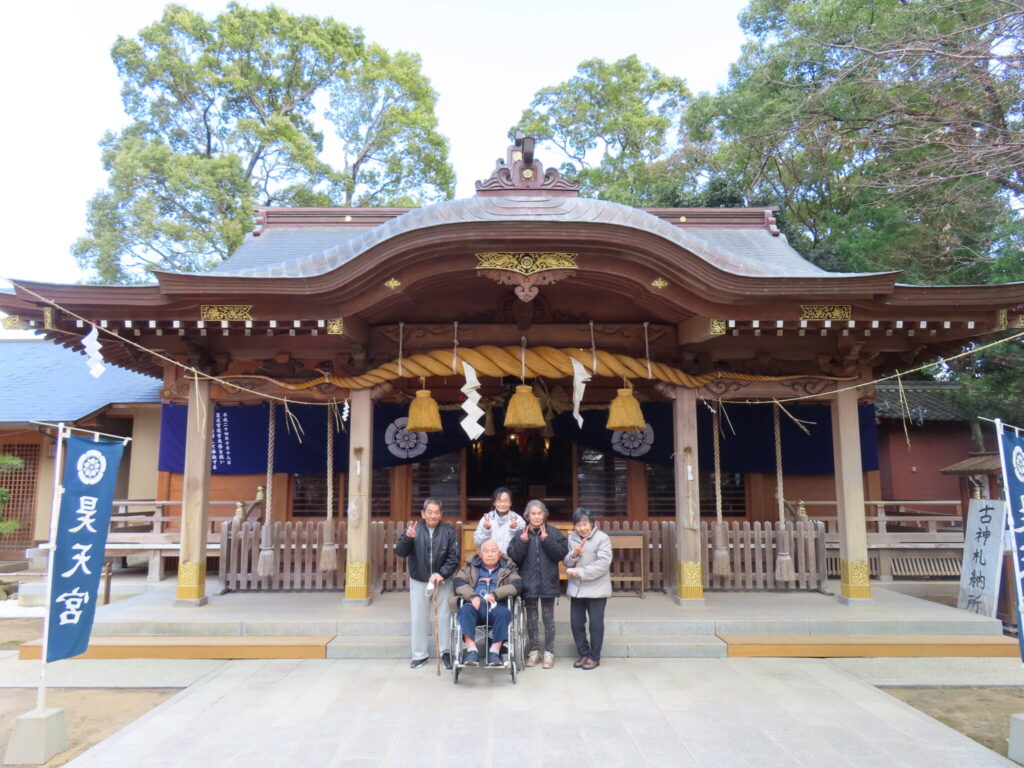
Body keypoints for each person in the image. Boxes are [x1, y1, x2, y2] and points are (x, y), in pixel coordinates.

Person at [394, 498, 460, 669]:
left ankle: (445, 652)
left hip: (442, 580)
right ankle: (420, 654)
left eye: (436, 512)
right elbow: (400, 552)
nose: (433, 515)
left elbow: (453, 557)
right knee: (418, 618)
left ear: (441, 514)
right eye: (429, 512)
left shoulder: (448, 531)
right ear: (423, 513)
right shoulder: (414, 529)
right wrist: (407, 538)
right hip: (419, 580)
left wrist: (441, 573)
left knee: (444, 617)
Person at [506, 499, 567, 669]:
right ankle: (534, 651)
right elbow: (514, 558)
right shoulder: (520, 534)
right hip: (528, 582)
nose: (537, 516)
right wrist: (523, 543)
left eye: (539, 513)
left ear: (544, 515)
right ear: (527, 516)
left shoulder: (553, 533)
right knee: (531, 619)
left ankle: (549, 652)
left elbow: (561, 554)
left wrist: (547, 541)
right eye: (533, 514)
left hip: (549, 581)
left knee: (548, 618)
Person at [452, 539, 522, 667]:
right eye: (486, 551)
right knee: (464, 610)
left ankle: (494, 652)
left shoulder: (507, 569)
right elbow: (458, 583)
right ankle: (471, 650)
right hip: (475, 606)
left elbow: (517, 585)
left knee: (504, 612)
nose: (490, 554)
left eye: (493, 551)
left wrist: (496, 594)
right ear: (480, 555)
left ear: (499, 554)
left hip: (497, 606)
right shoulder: (469, 568)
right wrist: (472, 596)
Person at [564, 507, 612, 670]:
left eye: (585, 524)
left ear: (591, 523)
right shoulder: (572, 538)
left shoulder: (602, 538)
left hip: (597, 588)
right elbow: (567, 562)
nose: (582, 528)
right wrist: (574, 554)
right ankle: (584, 653)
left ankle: (594, 656)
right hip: (577, 589)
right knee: (576, 623)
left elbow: (603, 564)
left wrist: (580, 572)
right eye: (578, 525)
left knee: (595, 624)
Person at [473, 486, 525, 555]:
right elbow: (478, 543)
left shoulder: (518, 520)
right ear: (494, 503)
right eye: (499, 501)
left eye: (506, 501)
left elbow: (522, 545)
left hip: (510, 559)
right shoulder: (486, 519)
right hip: (490, 558)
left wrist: (514, 530)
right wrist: (486, 530)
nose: (502, 504)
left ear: (510, 503)